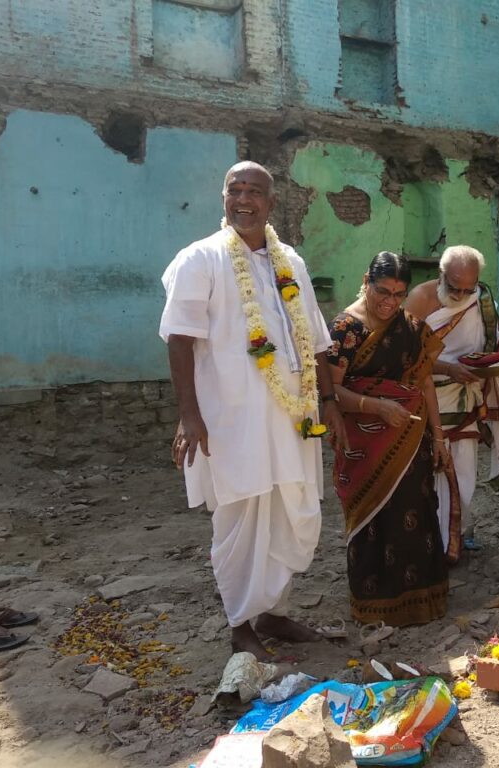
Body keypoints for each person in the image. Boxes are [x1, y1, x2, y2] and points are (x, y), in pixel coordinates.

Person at [159, 161, 347, 661]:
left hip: (292, 418)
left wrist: (330, 403)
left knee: (291, 511)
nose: (243, 199)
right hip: (233, 419)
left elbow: (319, 343)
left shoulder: (293, 263)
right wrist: (189, 414)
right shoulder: (200, 259)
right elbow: (179, 339)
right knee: (240, 517)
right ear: (222, 196)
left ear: (271, 201)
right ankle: (240, 623)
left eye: (254, 191)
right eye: (234, 189)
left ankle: (274, 612)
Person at [326, 252, 452, 627]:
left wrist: (439, 437)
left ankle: (423, 602)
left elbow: (424, 381)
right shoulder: (345, 329)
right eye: (382, 291)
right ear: (366, 281)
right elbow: (330, 391)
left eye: (399, 294)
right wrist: (375, 406)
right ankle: (374, 606)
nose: (390, 302)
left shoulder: (410, 326)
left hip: (412, 441)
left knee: (416, 515)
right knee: (374, 521)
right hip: (363, 446)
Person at [404, 245, 499, 552]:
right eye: (455, 288)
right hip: (427, 398)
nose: (462, 296)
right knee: (427, 468)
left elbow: (493, 345)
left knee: (464, 465)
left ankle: (458, 532)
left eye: (470, 289)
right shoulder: (421, 299)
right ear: (441, 276)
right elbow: (405, 356)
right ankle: (426, 537)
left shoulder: (483, 301)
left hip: (466, 397)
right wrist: (449, 370)